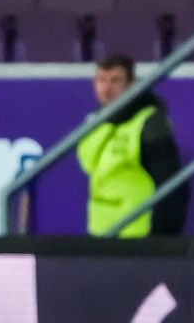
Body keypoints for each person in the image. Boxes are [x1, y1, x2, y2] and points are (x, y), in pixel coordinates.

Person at [76, 54, 185, 238]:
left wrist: (163, 239)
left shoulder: (150, 123)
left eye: (115, 81)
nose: (106, 88)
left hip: (140, 234)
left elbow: (172, 187)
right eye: (101, 80)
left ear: (131, 85)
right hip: (99, 232)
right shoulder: (93, 122)